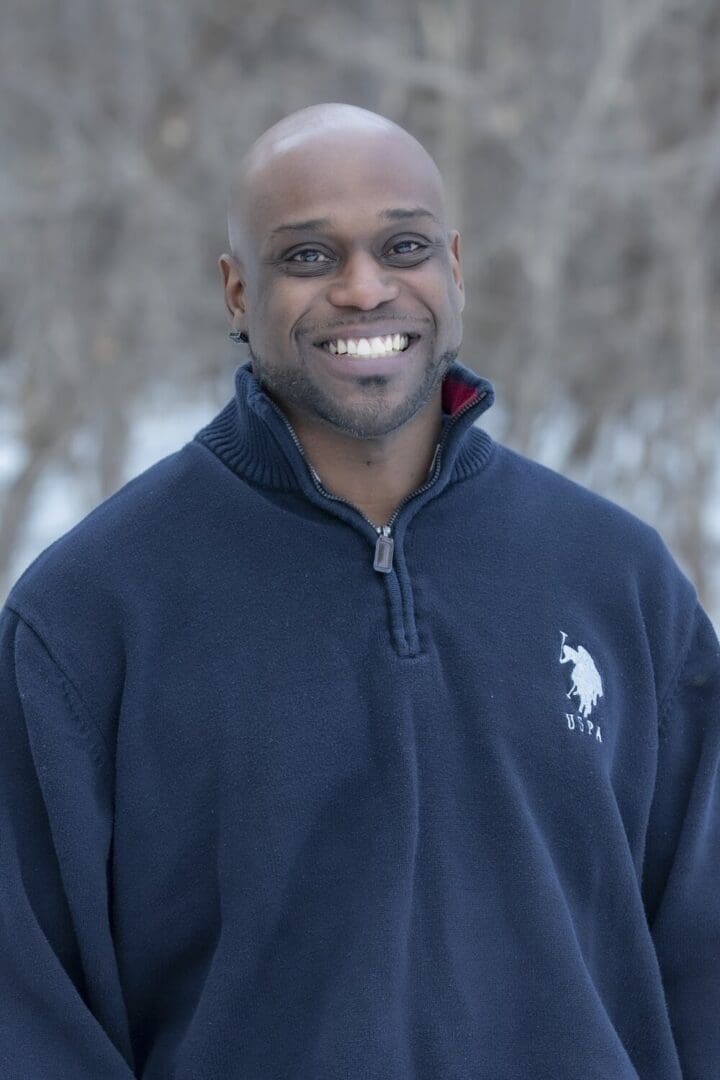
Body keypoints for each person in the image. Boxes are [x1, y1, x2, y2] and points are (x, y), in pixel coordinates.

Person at [0, 102, 718, 1080]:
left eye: (405, 245)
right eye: (306, 257)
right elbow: (28, 1010)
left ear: (455, 267)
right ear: (235, 289)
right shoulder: (92, 614)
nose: (364, 288)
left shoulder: (617, 582)